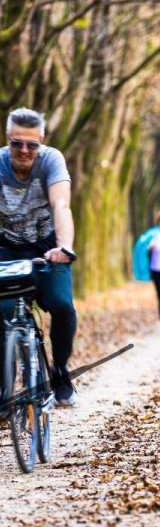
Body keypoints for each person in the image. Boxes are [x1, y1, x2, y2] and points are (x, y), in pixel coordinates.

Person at [0, 107, 78, 407]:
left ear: (41, 141)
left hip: (48, 249)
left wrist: (64, 247)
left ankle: (59, 368)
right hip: (6, 249)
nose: (23, 150)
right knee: (3, 311)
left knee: (61, 305)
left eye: (31, 144)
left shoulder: (51, 160)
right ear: (8, 139)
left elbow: (61, 204)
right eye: (16, 143)